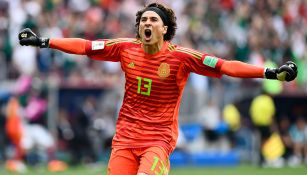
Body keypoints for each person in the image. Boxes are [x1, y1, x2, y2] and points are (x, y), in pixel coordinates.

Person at [18, 2, 297, 175]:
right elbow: (86, 47)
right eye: (143, 20)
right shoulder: (125, 48)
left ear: (164, 29)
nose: (146, 23)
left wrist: (269, 72)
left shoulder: (182, 57)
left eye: (152, 20)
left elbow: (225, 66)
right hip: (125, 139)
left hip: (158, 140)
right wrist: (44, 41)